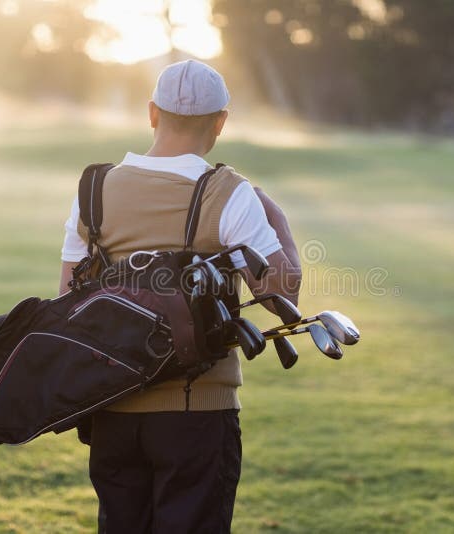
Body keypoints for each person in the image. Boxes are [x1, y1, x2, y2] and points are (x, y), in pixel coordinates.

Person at [58, 59, 302, 533]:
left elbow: (67, 301)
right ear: (220, 122)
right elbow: (280, 297)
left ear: (152, 113)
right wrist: (279, 222)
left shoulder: (93, 190)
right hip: (197, 414)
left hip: (111, 410)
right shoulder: (229, 192)